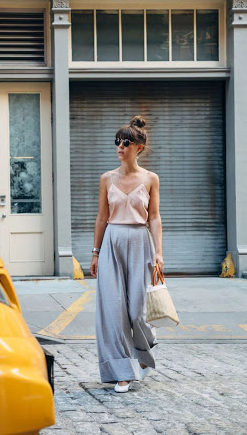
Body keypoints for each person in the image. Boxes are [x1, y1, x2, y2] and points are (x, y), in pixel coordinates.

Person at [90, 115, 164, 393]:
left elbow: (154, 218)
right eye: (118, 142)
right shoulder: (106, 178)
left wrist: (159, 253)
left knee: (137, 311)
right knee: (113, 310)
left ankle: (145, 345)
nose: (120, 146)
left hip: (139, 243)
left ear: (139, 148)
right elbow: (101, 218)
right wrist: (96, 253)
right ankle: (123, 372)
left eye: (126, 142)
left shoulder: (150, 179)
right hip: (111, 243)